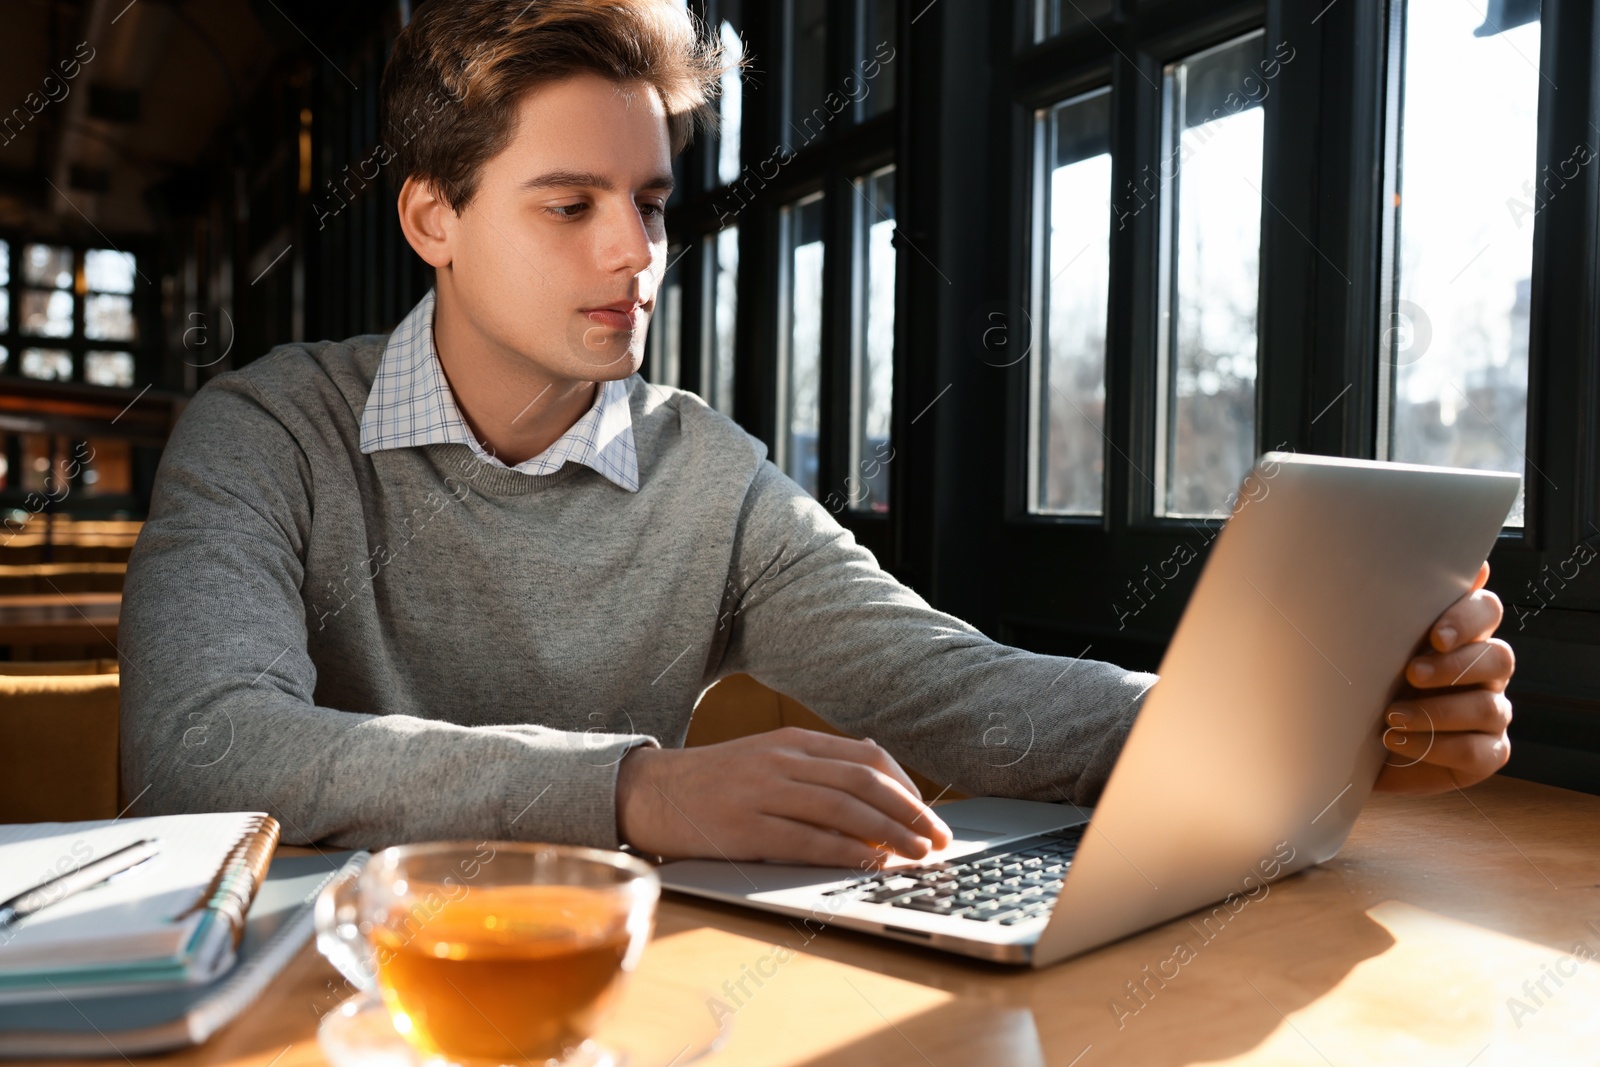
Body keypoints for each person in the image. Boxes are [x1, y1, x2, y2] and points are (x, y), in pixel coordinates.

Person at [120, 0, 1515, 867]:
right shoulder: (267, 432)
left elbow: (962, 690)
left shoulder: (706, 474)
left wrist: (1322, 716)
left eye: (651, 203)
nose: (635, 255)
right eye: (568, 205)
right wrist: (640, 791)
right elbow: (194, 749)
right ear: (432, 216)